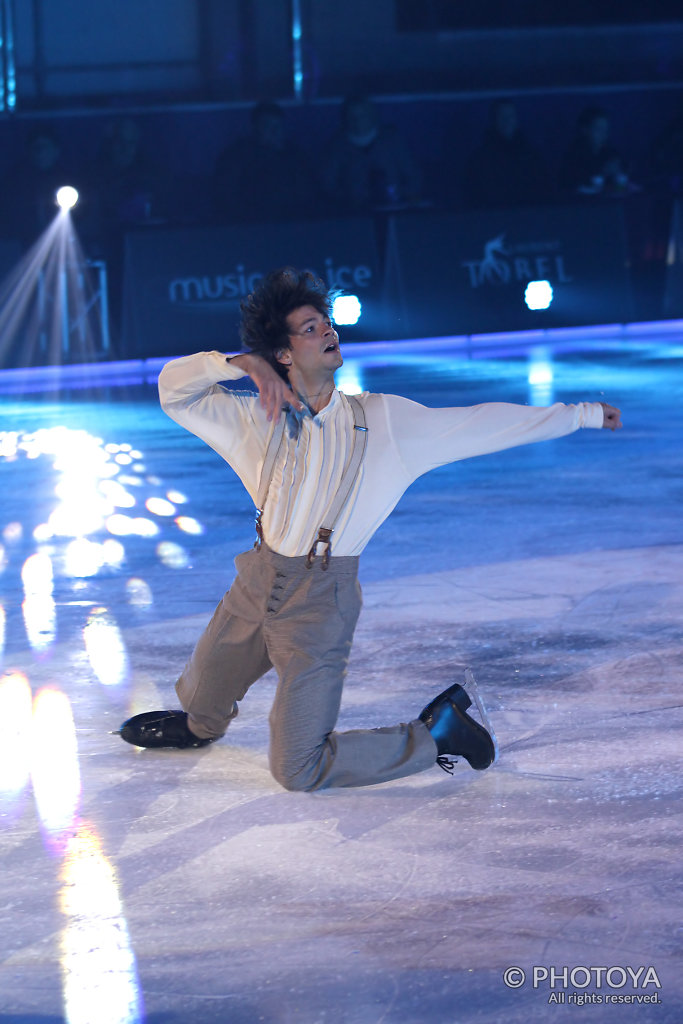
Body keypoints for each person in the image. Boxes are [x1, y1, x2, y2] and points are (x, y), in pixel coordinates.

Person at [118, 267, 622, 791]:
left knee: (297, 770)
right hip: (258, 579)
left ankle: (439, 734)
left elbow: (480, 423)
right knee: (199, 697)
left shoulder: (382, 422)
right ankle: (200, 727)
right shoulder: (254, 418)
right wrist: (239, 364)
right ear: (283, 354)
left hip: (319, 603)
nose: (329, 332)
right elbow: (173, 390)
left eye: (327, 324)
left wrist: (578, 414)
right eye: (311, 328)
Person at [321, 94, 421, 211]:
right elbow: (327, 185)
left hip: (394, 209)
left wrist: (400, 194)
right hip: (354, 214)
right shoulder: (337, 147)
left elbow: (413, 177)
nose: (357, 121)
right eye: (352, 116)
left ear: (372, 115)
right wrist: (349, 200)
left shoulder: (392, 140)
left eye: (362, 116)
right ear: (345, 119)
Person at [462, 99, 549, 209]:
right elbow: (471, 196)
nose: (507, 121)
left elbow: (543, 191)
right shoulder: (479, 160)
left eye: (511, 116)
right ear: (493, 121)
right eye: (501, 116)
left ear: (517, 120)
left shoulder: (532, 157)